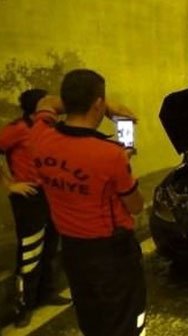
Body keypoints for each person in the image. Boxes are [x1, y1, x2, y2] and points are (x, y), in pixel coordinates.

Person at [28, 69, 146, 335]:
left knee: (91, 317)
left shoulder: (39, 136)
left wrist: (103, 103)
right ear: (97, 104)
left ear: (67, 102)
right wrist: (124, 164)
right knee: (126, 321)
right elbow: (136, 206)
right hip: (111, 254)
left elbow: (46, 103)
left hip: (72, 249)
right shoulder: (111, 155)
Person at [0, 89, 72, 327]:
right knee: (30, 252)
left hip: (50, 193)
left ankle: (46, 293)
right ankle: (24, 306)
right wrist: (10, 184)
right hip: (28, 197)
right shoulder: (18, 129)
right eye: (48, 102)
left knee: (50, 246)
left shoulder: (48, 127)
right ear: (37, 107)